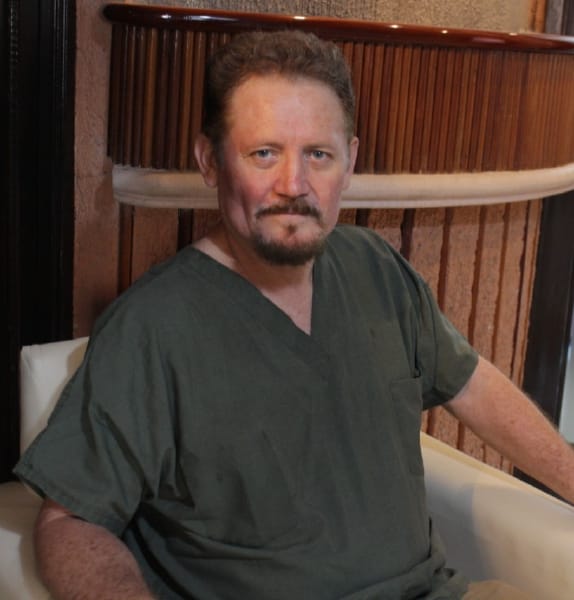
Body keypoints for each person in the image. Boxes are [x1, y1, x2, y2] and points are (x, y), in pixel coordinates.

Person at [15, 30, 574, 600]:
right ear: (209, 161)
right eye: (264, 153)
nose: (294, 185)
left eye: (318, 155)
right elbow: (70, 522)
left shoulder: (375, 266)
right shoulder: (152, 327)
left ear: (349, 162)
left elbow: (472, 384)